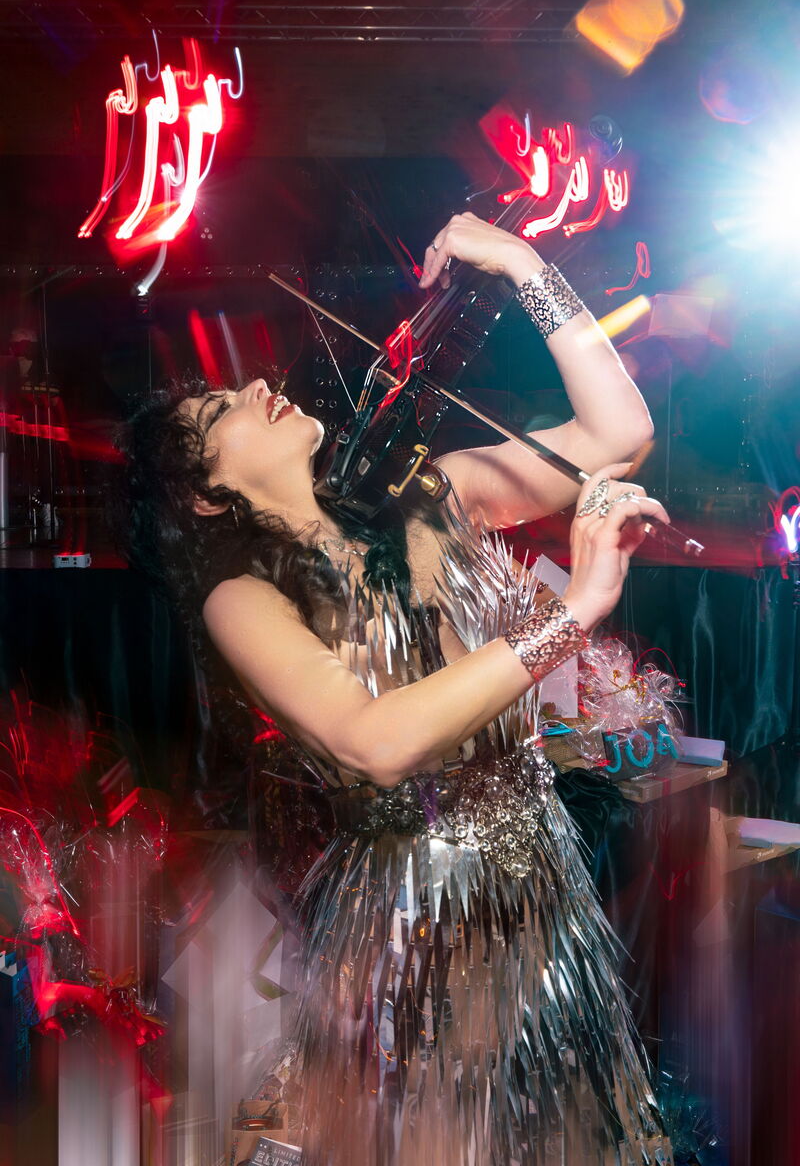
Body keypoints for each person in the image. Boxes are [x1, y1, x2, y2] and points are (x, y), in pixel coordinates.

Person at [119, 213, 673, 1165]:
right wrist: (573, 612)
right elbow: (373, 743)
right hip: (424, 924)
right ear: (208, 494)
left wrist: (525, 266)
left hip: (543, 889)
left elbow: (619, 434)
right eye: (221, 412)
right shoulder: (242, 600)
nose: (257, 385)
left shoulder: (436, 495)